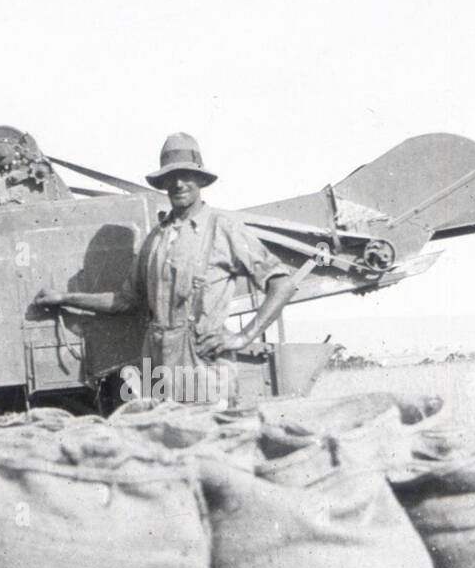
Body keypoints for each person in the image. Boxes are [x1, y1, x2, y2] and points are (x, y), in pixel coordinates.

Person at [34, 133, 294, 403]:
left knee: (207, 439)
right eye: (170, 177)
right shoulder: (156, 238)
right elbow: (125, 301)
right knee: (159, 439)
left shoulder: (222, 228)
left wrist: (244, 336)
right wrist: (65, 298)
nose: (178, 183)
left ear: (201, 180)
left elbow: (282, 283)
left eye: (186, 175)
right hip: (156, 362)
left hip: (202, 365)